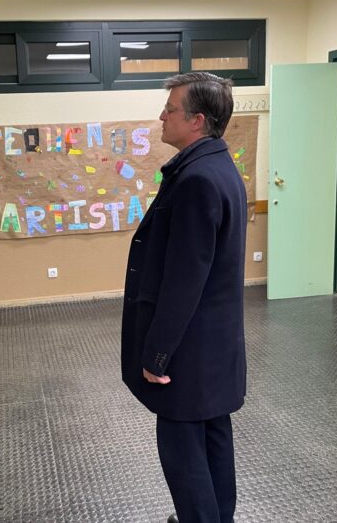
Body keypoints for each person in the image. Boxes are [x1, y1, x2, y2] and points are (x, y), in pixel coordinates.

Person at [121, 72, 247, 523]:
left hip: (188, 350)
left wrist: (157, 355)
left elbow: (183, 281)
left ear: (196, 120)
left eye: (170, 109)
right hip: (213, 345)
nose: (161, 116)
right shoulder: (218, 169)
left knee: (182, 448)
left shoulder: (196, 180)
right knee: (213, 435)